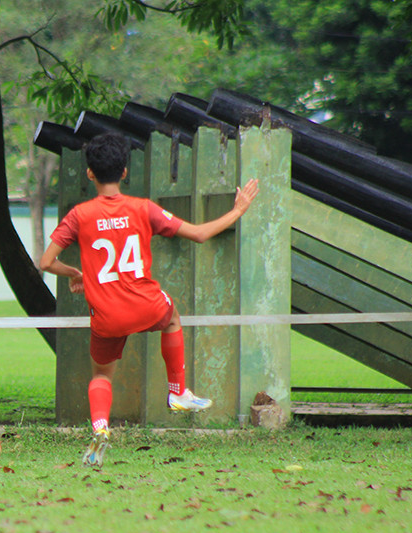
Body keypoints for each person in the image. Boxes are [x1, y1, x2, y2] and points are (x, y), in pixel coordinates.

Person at [39, 132, 259, 467]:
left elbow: (45, 262)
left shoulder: (79, 215)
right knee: (173, 318)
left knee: (101, 376)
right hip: (146, 305)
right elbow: (200, 234)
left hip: (106, 315)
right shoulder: (143, 209)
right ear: (125, 172)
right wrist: (238, 209)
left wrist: (75, 274)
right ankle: (177, 391)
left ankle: (100, 428)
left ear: (90, 173)